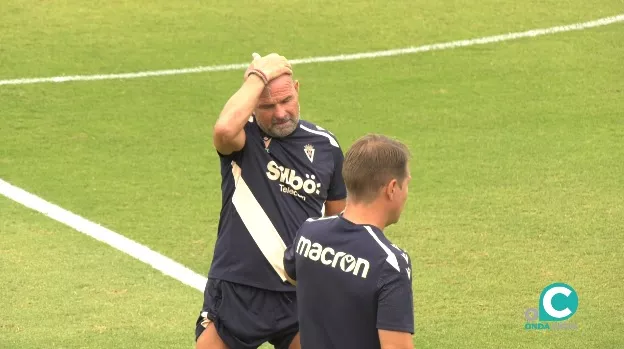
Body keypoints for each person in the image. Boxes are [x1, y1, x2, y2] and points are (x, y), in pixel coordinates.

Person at [195, 52, 347, 349]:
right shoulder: (244, 138)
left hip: (297, 293)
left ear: (297, 90)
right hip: (239, 289)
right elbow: (224, 129)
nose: (280, 113)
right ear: (253, 105)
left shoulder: (325, 146)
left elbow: (338, 224)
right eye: (267, 105)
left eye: (286, 100)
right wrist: (258, 76)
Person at [283, 134, 415, 349]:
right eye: (406, 184)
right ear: (392, 188)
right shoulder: (389, 263)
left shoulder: (309, 232)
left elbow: (291, 274)